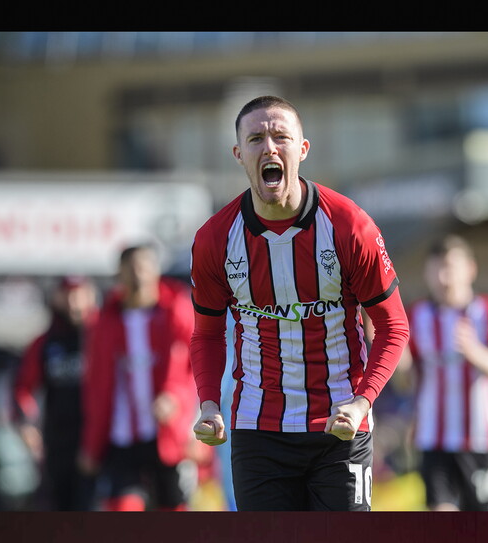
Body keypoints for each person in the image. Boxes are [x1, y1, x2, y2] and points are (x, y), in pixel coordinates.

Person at [189, 95, 410, 511]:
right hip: (257, 430)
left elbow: (393, 326)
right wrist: (209, 404)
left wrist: (362, 402)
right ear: (239, 154)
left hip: (340, 428)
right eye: (256, 139)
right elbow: (206, 334)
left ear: (303, 149)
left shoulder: (349, 226)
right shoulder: (215, 239)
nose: (269, 147)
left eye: (281, 137)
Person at [79, 245, 199, 511]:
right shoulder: (105, 321)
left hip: (168, 434)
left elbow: (199, 368)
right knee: (123, 508)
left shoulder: (177, 310)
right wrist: (92, 444)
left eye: (144, 267)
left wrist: (175, 399)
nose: (138, 276)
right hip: (122, 436)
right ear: (119, 275)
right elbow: (96, 386)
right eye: (131, 269)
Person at [406, 234, 488, 511]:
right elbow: (407, 381)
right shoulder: (416, 315)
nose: (444, 278)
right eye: (436, 269)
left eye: (450, 268)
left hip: (481, 440)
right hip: (433, 438)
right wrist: (396, 359)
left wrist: (473, 351)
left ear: (470, 269)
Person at [12, 275, 99, 511]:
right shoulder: (45, 343)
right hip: (59, 443)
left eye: (79, 294)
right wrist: (26, 423)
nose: (73, 302)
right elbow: (23, 387)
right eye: (68, 295)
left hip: (99, 440)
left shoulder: (102, 336)